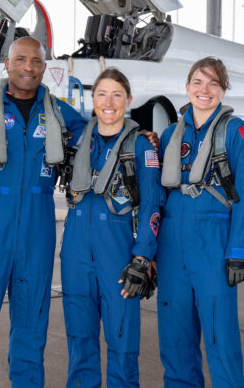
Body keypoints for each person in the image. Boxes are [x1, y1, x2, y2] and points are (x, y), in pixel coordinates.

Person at [0, 36, 87, 387]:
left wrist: (143, 137)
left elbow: (101, 137)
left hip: (37, 234)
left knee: (31, 331)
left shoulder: (59, 113)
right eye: (21, 60)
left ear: (44, 67)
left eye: (36, 61)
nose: (29, 67)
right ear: (7, 64)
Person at [157, 57, 244, 387]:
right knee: (175, 344)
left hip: (214, 246)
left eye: (214, 84)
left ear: (223, 90)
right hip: (171, 246)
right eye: (198, 83)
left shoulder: (237, 132)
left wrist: (239, 251)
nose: (205, 90)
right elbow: (157, 196)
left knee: (221, 342)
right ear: (187, 88)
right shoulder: (170, 135)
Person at [60, 68, 163, 388]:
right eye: (102, 94)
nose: (109, 102)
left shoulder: (141, 147)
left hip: (117, 253)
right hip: (75, 252)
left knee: (122, 344)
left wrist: (142, 259)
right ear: (93, 100)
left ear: (128, 101)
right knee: (80, 343)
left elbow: (151, 207)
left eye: (117, 95)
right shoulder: (78, 140)